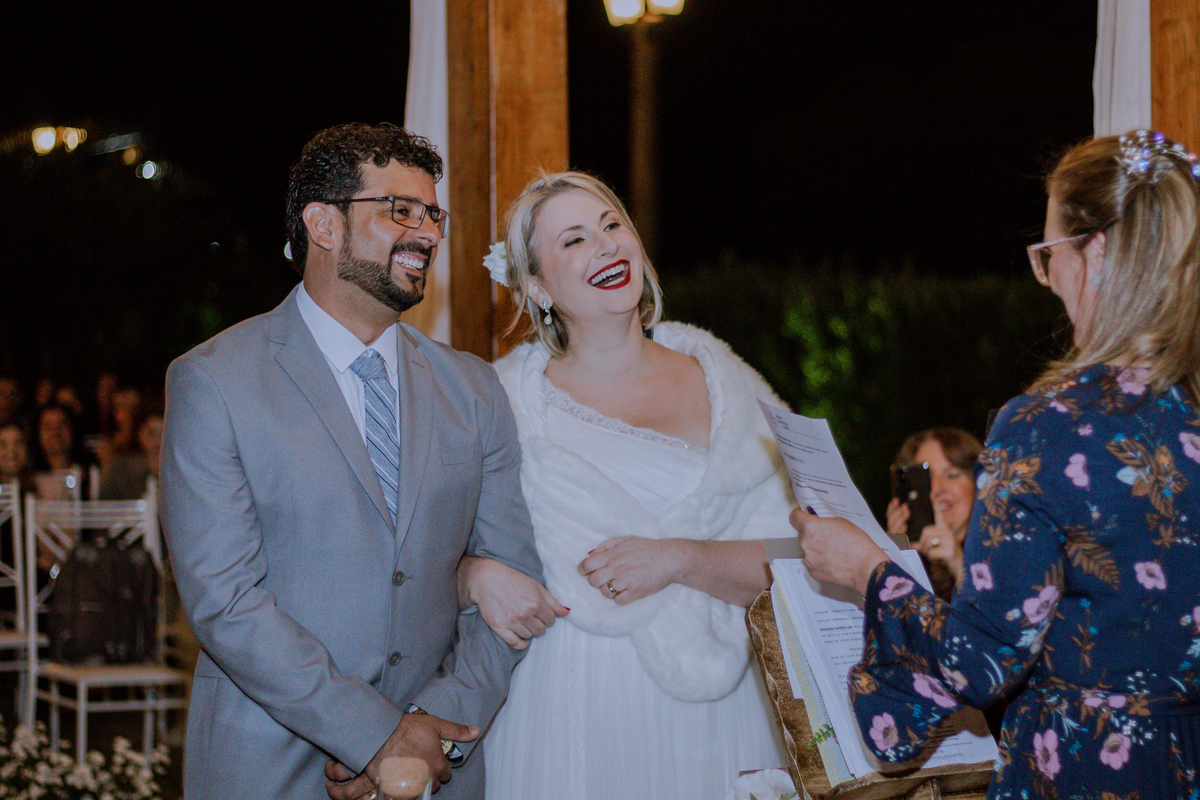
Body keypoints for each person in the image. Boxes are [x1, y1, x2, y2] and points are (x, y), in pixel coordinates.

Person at [789, 130, 1200, 798]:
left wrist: (865, 570)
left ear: (1095, 253)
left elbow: (981, 659)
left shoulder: (1046, 428)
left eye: (1049, 255)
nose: (1048, 279)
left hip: (1086, 768)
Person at [159, 122, 543, 800]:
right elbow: (224, 599)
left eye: (433, 215)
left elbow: (510, 580)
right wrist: (374, 733)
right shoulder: (214, 381)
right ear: (323, 224)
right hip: (270, 763)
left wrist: (432, 730)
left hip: (438, 766)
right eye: (399, 210)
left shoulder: (474, 389)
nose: (425, 233)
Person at [472, 171, 792, 799]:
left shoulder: (733, 389)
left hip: (724, 708)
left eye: (612, 225)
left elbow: (803, 560)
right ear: (536, 285)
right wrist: (474, 573)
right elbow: (433, 551)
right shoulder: (500, 404)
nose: (605, 245)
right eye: (573, 239)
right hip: (573, 705)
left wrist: (681, 558)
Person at [885, 427, 982, 598]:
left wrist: (959, 567)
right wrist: (893, 557)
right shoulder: (909, 556)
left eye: (952, 475)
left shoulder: (1003, 553)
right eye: (925, 477)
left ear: (979, 483)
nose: (936, 488)